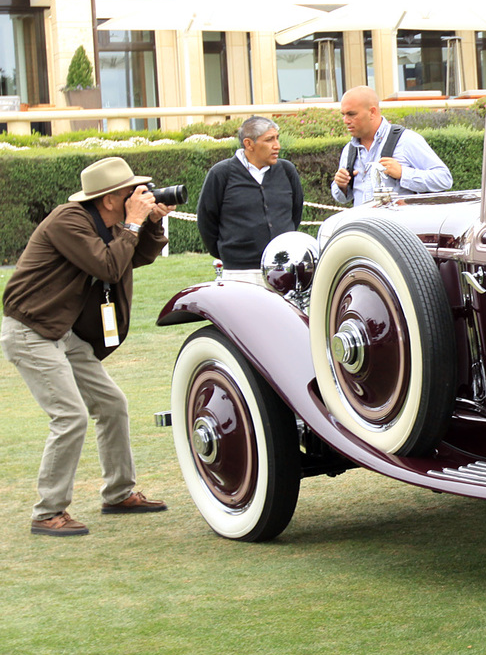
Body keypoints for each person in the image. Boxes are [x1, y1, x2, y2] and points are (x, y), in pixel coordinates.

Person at [1, 157, 174, 536]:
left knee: (112, 405)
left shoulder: (110, 222)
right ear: (110, 199)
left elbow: (137, 256)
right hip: (30, 330)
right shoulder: (69, 221)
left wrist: (153, 221)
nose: (139, 195)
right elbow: (108, 267)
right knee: (70, 417)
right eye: (131, 192)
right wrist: (133, 224)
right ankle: (48, 512)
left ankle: (118, 493)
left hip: (63, 332)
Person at [197, 116, 304, 281]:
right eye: (269, 140)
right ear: (249, 144)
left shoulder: (287, 170)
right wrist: (230, 254)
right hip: (240, 272)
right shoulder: (221, 174)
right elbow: (207, 221)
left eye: (277, 138)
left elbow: (295, 213)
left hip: (284, 269)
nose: (277, 146)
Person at [331, 86, 452, 206]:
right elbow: (341, 198)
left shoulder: (406, 140)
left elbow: (444, 179)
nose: (345, 120)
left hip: (399, 224)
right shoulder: (349, 150)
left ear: (372, 112)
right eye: (343, 114)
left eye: (351, 114)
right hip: (362, 224)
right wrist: (341, 185)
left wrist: (403, 173)